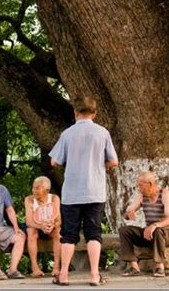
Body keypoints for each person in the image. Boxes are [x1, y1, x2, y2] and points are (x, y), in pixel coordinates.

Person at [49, 95, 118, 286]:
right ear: (94, 113)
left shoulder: (67, 134)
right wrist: (99, 164)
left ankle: (63, 275)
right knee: (93, 233)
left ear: (75, 112)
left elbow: (54, 161)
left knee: (69, 234)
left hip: (72, 192)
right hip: (95, 190)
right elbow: (114, 161)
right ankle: (95, 275)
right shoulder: (103, 133)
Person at [119, 171, 169, 278]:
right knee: (124, 231)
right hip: (150, 232)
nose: (138, 188)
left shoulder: (165, 194)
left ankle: (160, 267)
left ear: (150, 184)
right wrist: (129, 213)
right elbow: (128, 213)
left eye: (140, 185)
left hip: (167, 232)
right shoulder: (142, 196)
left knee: (157, 231)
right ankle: (134, 266)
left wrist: (155, 225)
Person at [24, 176, 61, 278]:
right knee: (30, 231)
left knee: (58, 232)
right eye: (33, 188)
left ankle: (56, 267)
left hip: (51, 228)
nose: (34, 190)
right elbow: (29, 221)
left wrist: (52, 225)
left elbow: (58, 220)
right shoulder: (29, 200)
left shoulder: (54, 198)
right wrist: (41, 226)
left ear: (46, 190)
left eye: (37, 188)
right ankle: (35, 267)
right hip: (37, 227)